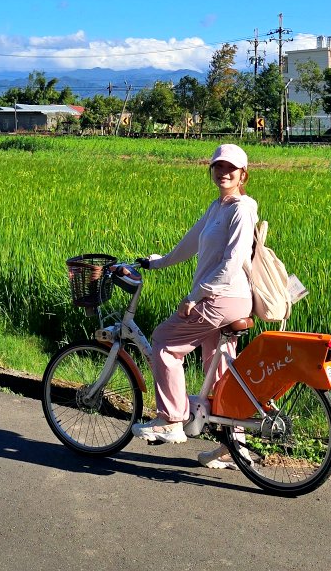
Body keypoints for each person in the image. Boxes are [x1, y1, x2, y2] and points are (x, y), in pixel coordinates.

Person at [130, 142, 258, 458]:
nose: (223, 172)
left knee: (164, 342)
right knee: (219, 372)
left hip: (222, 297)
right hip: (224, 299)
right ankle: (235, 445)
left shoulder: (242, 208)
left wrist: (194, 296)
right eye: (218, 166)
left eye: (231, 167)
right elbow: (189, 246)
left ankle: (171, 420)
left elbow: (231, 263)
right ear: (211, 170)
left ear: (243, 174)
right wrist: (157, 262)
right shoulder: (218, 208)